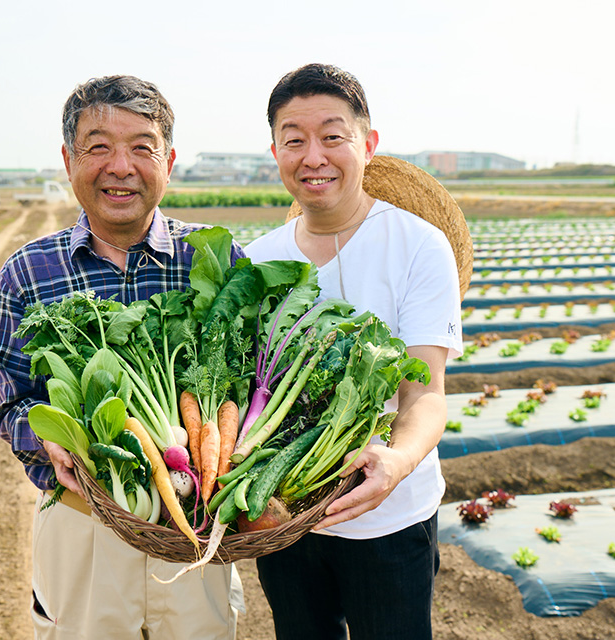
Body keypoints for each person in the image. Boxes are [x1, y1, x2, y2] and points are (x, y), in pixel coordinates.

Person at [0, 75, 244, 640]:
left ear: (169, 160)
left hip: (197, 526)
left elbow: (248, 387)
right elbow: (12, 410)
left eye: (141, 147)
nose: (120, 166)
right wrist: (48, 440)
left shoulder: (217, 256)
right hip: (84, 523)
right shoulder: (28, 273)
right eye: (99, 146)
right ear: (68, 159)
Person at [244, 63, 464, 640]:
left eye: (332, 136)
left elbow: (425, 392)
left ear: (366, 144)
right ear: (276, 153)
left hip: (389, 519)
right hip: (284, 520)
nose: (313, 156)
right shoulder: (256, 259)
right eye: (294, 140)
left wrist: (393, 462)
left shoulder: (418, 245)